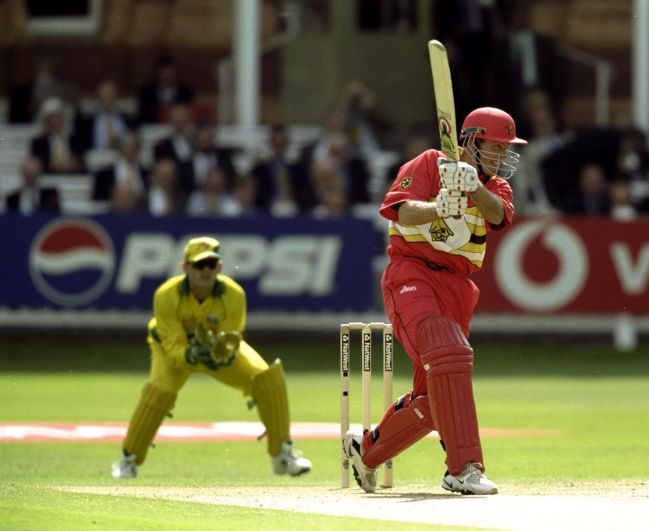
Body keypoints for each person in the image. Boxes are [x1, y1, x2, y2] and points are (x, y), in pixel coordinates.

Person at [342, 107, 526, 496]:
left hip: (458, 287)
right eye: (495, 147)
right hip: (411, 273)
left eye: (506, 148)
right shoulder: (429, 162)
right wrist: (440, 205)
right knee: (449, 350)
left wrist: (472, 185)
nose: (502, 156)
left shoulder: (496, 188)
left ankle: (365, 450)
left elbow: (497, 217)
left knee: (434, 396)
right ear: (472, 142)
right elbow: (403, 211)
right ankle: (464, 468)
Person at [112, 237, 312, 479]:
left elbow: (231, 338)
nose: (205, 270)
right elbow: (173, 346)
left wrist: (222, 354)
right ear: (185, 267)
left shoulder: (233, 294)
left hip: (215, 352)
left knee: (267, 378)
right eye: (199, 265)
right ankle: (128, 459)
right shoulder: (166, 295)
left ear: (219, 267)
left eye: (211, 264)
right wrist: (193, 353)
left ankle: (283, 455)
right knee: (159, 393)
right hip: (171, 352)